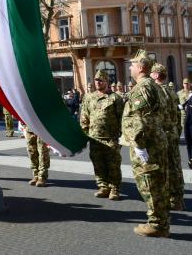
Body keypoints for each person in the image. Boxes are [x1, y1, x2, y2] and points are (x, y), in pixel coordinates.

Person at [123, 50, 170, 237]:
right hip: (155, 140)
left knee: (150, 183)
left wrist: (139, 145)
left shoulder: (143, 87)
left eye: (132, 64)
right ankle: (161, 222)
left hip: (147, 143)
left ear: (141, 68)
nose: (130, 67)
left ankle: (157, 225)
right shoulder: (153, 86)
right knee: (158, 182)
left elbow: (141, 120)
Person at [79, 70, 123, 200]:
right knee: (98, 164)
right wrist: (85, 133)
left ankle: (114, 188)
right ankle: (103, 186)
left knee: (113, 165)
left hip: (111, 138)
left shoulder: (115, 98)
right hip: (95, 138)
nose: (97, 82)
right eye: (96, 80)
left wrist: (121, 137)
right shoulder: (89, 97)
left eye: (100, 80)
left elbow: (122, 118)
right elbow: (84, 117)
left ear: (106, 82)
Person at [150, 64, 186, 211]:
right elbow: (178, 115)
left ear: (157, 75)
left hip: (162, 135)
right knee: (175, 167)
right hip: (172, 134)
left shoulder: (157, 92)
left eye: (152, 73)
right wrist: (176, 132)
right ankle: (177, 199)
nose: (150, 75)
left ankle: (166, 199)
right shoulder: (172, 92)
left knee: (163, 168)